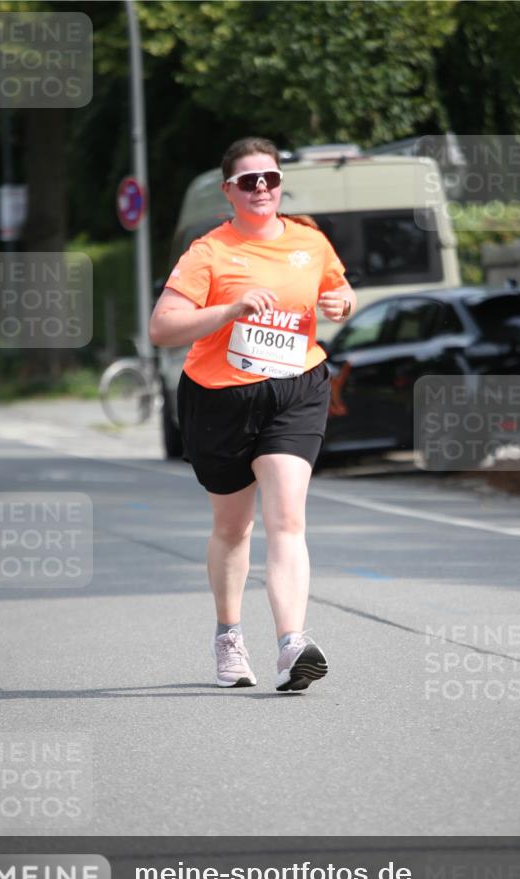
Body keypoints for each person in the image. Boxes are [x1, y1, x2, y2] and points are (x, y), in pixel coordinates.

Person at [149, 137, 356, 692]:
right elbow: (162, 328)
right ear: (229, 191)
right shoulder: (208, 252)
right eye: (248, 181)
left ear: (280, 184)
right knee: (233, 527)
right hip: (219, 396)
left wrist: (342, 303)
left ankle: (292, 646)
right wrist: (231, 308)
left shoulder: (310, 242)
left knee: (286, 517)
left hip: (296, 388)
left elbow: (338, 292)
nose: (261, 187)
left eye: (269, 178)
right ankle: (228, 636)